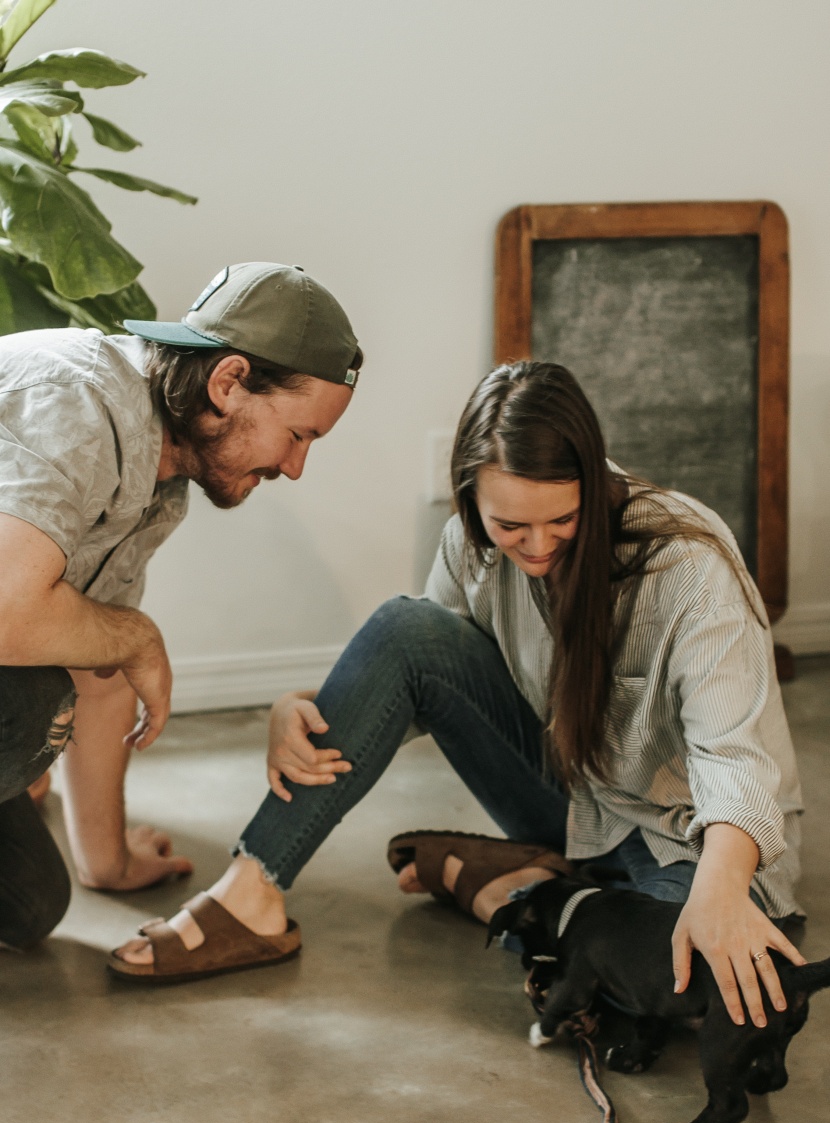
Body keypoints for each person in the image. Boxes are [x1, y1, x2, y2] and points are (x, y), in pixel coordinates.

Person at [113, 360, 805, 1034]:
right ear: (471, 499)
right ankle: (251, 892)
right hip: (574, 800)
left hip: (692, 845)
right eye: (510, 526)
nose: (536, 546)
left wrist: (719, 894)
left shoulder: (686, 567)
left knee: (667, 988)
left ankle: (513, 892)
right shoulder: (471, 545)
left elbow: (736, 762)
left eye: (562, 519)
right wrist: (295, 704)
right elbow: (416, 667)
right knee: (404, 622)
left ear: (593, 485)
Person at [0, 262, 361, 950]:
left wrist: (107, 861)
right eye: (299, 433)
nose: (295, 467)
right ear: (229, 382)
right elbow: (8, 615)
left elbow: (96, 668)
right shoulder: (81, 404)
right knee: (24, 712)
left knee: (30, 903)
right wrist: (137, 635)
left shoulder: (161, 477)